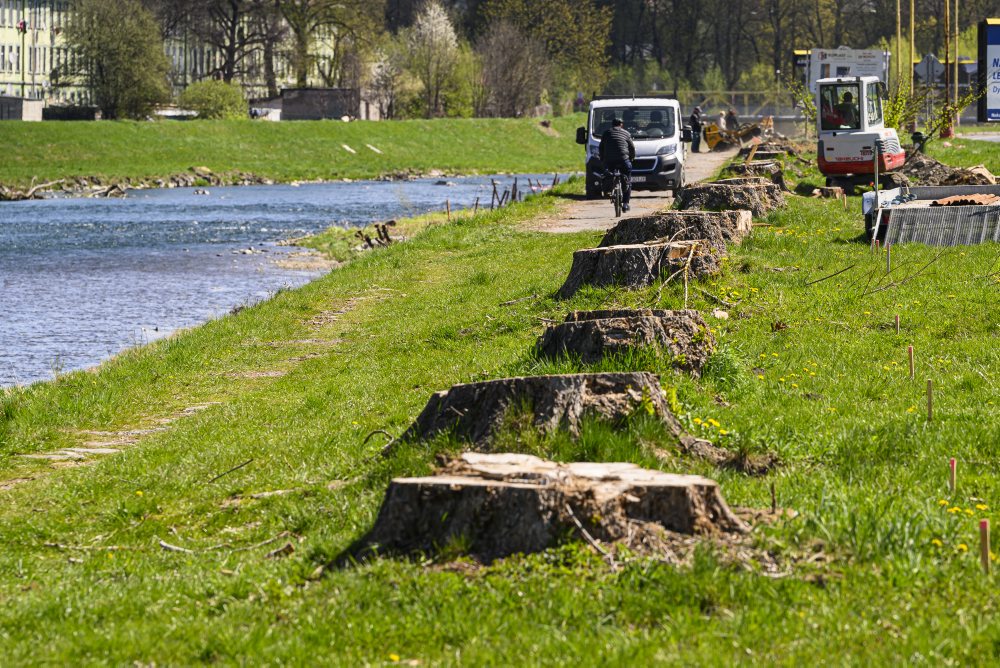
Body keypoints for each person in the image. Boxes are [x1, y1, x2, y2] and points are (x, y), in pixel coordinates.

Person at [599, 118, 636, 211]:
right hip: (624, 160)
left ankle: (608, 190)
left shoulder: (606, 133)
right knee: (627, 180)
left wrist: (602, 159)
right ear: (621, 125)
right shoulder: (626, 133)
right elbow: (632, 148)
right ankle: (626, 204)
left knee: (607, 174)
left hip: (609, 160)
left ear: (612, 124)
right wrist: (631, 158)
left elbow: (601, 147)